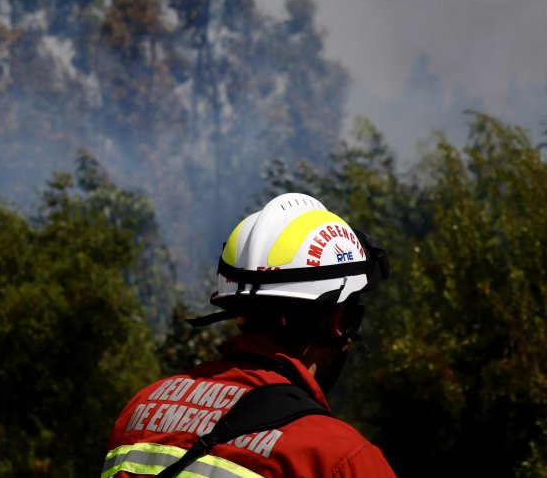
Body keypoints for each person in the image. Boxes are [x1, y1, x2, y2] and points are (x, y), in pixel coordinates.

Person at [103, 193, 396, 477]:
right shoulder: (336, 458)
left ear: (240, 316)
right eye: (353, 315)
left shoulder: (141, 411)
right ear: (338, 318)